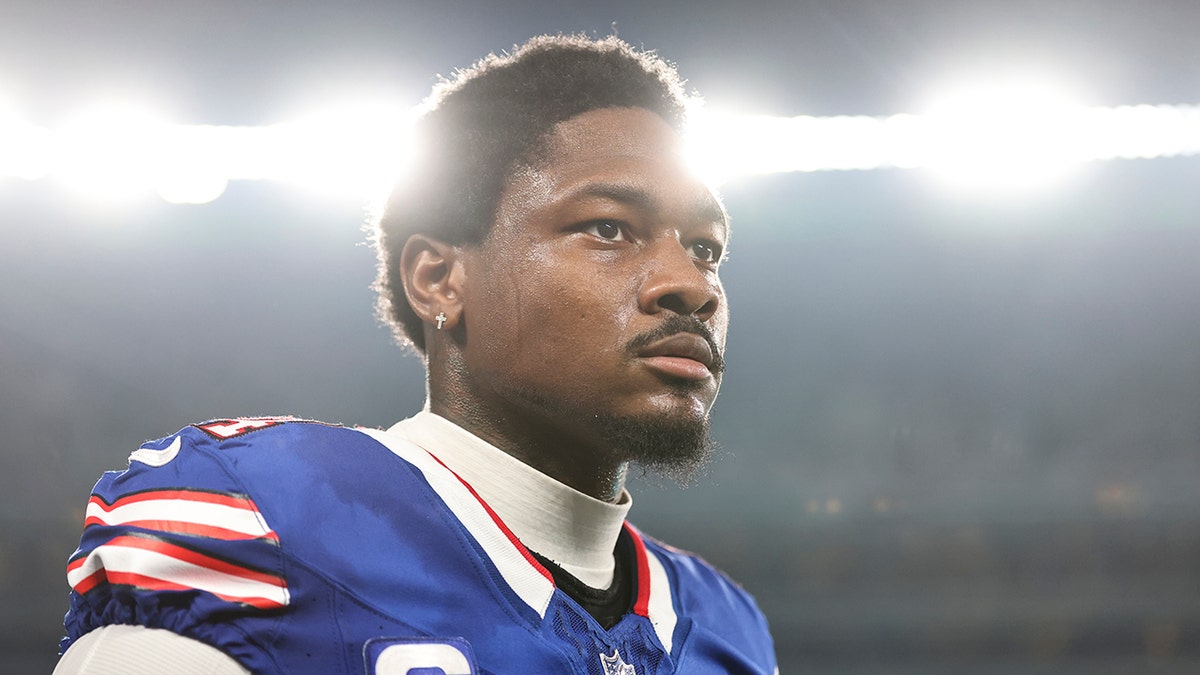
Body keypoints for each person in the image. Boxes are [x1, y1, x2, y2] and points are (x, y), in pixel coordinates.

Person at [56, 34, 778, 674]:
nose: (690, 285)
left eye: (706, 249)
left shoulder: (728, 628)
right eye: (609, 229)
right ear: (440, 278)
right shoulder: (269, 527)